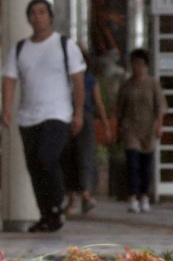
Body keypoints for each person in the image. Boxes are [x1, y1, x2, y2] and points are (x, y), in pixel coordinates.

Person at [1, 0, 85, 233]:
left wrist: (78, 112)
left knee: (47, 158)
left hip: (57, 114)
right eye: (33, 13)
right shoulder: (20, 48)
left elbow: (78, 81)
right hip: (28, 116)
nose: (37, 17)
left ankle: (57, 205)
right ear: (28, 18)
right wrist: (6, 108)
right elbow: (9, 80)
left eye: (42, 12)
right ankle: (45, 214)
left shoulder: (64, 45)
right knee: (34, 166)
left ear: (50, 16)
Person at [115, 48, 165, 213]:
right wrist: (118, 129)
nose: (137, 67)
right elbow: (120, 109)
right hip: (130, 129)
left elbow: (160, 107)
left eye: (140, 64)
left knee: (146, 165)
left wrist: (159, 126)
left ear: (146, 66)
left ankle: (144, 196)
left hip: (148, 129)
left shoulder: (153, 84)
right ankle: (132, 197)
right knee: (133, 163)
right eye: (134, 64)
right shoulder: (126, 85)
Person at [62, 45, 110, 215]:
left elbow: (99, 104)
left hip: (85, 119)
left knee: (85, 156)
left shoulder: (89, 80)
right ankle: (74, 199)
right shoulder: (65, 78)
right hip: (67, 118)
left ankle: (85, 195)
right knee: (68, 157)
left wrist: (105, 125)